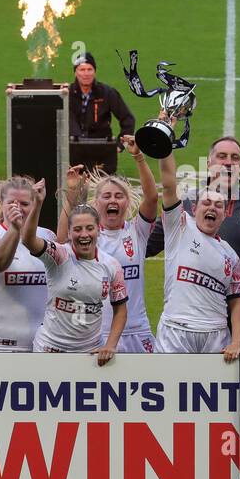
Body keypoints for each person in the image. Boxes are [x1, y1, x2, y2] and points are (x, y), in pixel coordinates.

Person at [144, 133, 240, 347]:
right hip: (189, 321)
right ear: (209, 163)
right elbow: (145, 246)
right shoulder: (187, 204)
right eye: (222, 156)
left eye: (234, 158)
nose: (228, 162)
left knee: (232, 381)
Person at [59, 138, 159, 353]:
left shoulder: (137, 231)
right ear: (97, 203)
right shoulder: (87, 234)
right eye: (106, 196)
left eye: (119, 196)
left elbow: (151, 198)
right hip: (96, 331)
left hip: (136, 329)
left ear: (126, 201)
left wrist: (138, 157)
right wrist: (72, 196)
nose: (113, 200)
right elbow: (60, 239)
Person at [19, 182, 128, 362]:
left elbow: (120, 309)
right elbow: (29, 240)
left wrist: (110, 345)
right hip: (50, 351)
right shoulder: (60, 255)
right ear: (69, 233)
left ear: (98, 230)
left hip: (89, 353)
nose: (84, 234)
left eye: (89, 228)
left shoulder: (112, 265)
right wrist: (37, 204)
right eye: (77, 229)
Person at [0, 176, 52, 352]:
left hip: (43, 342)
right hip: (0, 344)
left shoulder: (47, 235)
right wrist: (14, 230)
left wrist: (73, 197)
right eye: (12, 203)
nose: (18, 208)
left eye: (25, 204)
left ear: (34, 204)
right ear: (1, 203)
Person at [67, 52, 135, 174]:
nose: (86, 73)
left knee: (102, 190)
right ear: (75, 72)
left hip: (102, 153)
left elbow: (128, 119)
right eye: (82, 69)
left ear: (95, 71)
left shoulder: (107, 93)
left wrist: (121, 145)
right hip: (74, 152)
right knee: (74, 189)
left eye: (89, 69)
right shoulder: (67, 94)